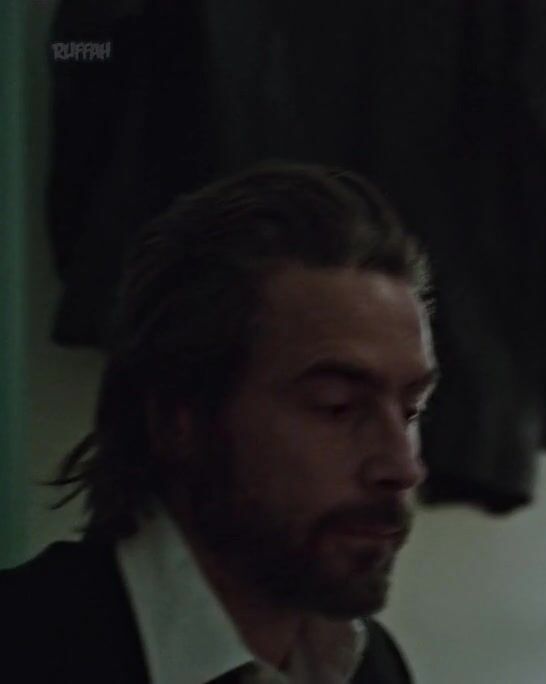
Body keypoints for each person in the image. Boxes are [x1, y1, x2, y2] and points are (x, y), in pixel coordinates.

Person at [0, 163, 437, 683]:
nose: (401, 466)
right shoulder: (21, 648)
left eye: (411, 409)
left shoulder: (367, 664)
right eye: (336, 406)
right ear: (179, 418)